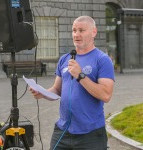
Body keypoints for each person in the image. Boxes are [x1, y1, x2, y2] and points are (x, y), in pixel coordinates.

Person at [29, 16, 115, 150]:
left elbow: (106, 95)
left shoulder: (102, 60)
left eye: (81, 30)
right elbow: (57, 90)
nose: (76, 34)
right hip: (63, 131)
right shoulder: (65, 59)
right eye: (74, 30)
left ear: (93, 32)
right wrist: (43, 93)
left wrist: (80, 76)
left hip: (91, 134)